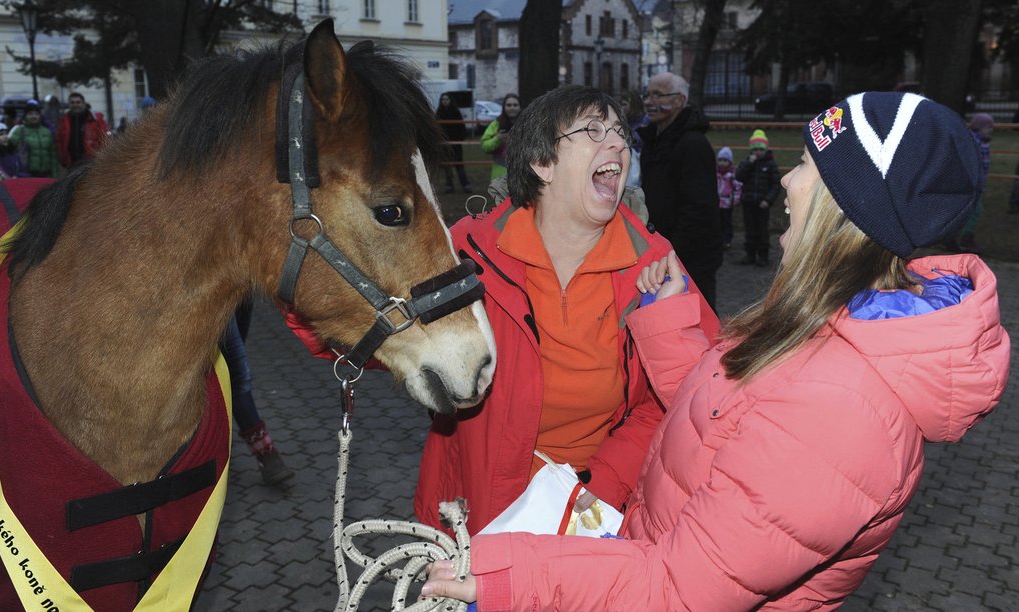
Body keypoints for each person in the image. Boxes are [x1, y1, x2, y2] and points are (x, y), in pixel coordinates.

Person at [421, 91, 1010, 610]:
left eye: (805, 164)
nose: (784, 179)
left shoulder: (844, 412)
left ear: (844, 205)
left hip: (614, 571)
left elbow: (680, 589)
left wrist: (514, 577)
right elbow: (724, 419)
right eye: (591, 132)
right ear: (540, 163)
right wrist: (670, 325)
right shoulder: (826, 322)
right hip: (598, 551)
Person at [413, 85, 720, 535]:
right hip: (469, 510)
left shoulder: (656, 264)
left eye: (620, 132)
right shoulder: (468, 250)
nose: (618, 142)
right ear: (542, 163)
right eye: (594, 131)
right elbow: (371, 332)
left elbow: (694, 399)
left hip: (590, 516)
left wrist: (600, 484)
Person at [638, 71, 723, 311]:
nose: (648, 101)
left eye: (658, 95)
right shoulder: (653, 141)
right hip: (663, 250)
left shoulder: (693, 144)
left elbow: (699, 208)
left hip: (690, 255)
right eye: (648, 94)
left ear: (679, 101)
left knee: (697, 313)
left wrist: (673, 252)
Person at [220, 301, 294, 485]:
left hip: (241, 288)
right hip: (202, 291)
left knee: (234, 356)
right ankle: (265, 452)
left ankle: (217, 437)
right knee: (235, 368)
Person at [734, 128, 781, 266]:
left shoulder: (770, 165)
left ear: (765, 149)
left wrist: (768, 200)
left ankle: (763, 256)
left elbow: (776, 184)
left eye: (760, 149)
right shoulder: (747, 163)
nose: (758, 152)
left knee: (762, 230)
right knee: (749, 229)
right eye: (755, 149)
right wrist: (749, 163)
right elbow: (739, 176)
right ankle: (750, 254)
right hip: (748, 202)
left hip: (762, 203)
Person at [948, 112, 993, 253]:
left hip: (976, 183)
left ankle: (956, 237)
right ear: (979, 127)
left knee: (972, 211)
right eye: (987, 127)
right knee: (974, 211)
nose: (990, 130)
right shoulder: (973, 142)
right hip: (970, 183)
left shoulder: (982, 141)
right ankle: (963, 238)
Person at [56, 91, 109, 168]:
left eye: (78, 102)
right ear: (69, 105)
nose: (75, 104)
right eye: (72, 102)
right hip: (70, 163)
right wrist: (62, 159)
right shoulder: (64, 121)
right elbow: (59, 140)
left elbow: (104, 139)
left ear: (83, 103)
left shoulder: (96, 120)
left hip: (91, 163)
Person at [8, 99, 59, 178]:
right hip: (26, 174)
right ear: (25, 116)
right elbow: (9, 150)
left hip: (45, 174)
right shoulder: (19, 130)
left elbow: (53, 156)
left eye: (36, 114)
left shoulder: (47, 132)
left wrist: (55, 176)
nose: (33, 116)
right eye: (30, 114)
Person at [435, 93, 473, 194]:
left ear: (450, 100)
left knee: (459, 165)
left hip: (456, 144)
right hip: (444, 145)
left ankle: (465, 184)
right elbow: (436, 129)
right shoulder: (438, 113)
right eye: (443, 99)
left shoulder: (456, 112)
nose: (445, 101)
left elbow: (462, 128)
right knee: (447, 166)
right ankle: (449, 185)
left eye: (447, 99)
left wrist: (459, 139)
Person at [480, 93, 521, 180]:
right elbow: (484, 146)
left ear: (519, 107)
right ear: (504, 107)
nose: (512, 108)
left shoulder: (527, 125)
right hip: (500, 174)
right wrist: (498, 139)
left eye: (515, 105)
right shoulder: (496, 124)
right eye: (509, 105)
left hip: (522, 174)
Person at [716, 146, 741, 249]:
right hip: (717, 202)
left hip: (727, 203)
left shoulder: (731, 175)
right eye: (720, 160)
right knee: (717, 222)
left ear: (729, 162)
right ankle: (718, 239)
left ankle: (727, 240)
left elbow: (737, 187)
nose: (722, 163)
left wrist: (736, 198)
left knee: (727, 222)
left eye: (725, 160)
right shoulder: (715, 174)